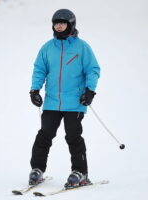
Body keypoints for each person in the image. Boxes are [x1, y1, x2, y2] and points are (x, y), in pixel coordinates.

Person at [28, 9, 100, 188]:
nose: (58, 25)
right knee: (45, 135)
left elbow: (93, 69)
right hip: (52, 101)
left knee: (73, 136)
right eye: (56, 22)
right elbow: (39, 69)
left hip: (75, 102)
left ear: (71, 24)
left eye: (63, 22)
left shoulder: (81, 47)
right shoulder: (47, 47)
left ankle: (80, 172)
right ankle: (37, 169)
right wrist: (35, 90)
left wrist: (90, 91)